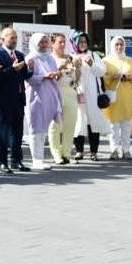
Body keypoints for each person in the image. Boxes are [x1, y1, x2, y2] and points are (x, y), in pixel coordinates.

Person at [0, 27, 32, 173]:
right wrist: (12, 69)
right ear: (3, 39)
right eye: (11, 38)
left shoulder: (19, 55)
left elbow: (25, 75)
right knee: (2, 132)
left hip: (19, 98)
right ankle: (1, 162)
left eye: (15, 38)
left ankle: (16, 160)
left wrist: (29, 68)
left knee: (17, 131)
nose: (14, 40)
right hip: (3, 100)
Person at [70, 31, 111, 161]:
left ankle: (94, 152)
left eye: (85, 42)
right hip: (78, 93)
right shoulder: (71, 56)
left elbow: (102, 71)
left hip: (93, 94)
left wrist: (92, 64)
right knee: (79, 122)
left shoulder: (93, 55)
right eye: (80, 41)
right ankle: (79, 151)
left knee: (93, 122)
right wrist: (74, 67)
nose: (83, 44)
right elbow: (68, 77)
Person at [24, 33, 62, 170]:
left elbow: (54, 72)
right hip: (35, 97)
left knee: (43, 129)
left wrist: (57, 74)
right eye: (41, 42)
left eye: (46, 42)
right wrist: (44, 76)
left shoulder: (50, 58)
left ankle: (41, 158)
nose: (44, 45)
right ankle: (36, 159)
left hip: (49, 96)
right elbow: (29, 78)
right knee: (35, 128)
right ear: (35, 43)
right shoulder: (30, 58)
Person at [102, 36, 132, 159]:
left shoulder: (130, 61)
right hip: (113, 97)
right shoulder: (106, 61)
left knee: (126, 125)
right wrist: (111, 78)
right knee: (113, 125)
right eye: (116, 45)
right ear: (112, 46)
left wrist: (129, 77)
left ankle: (126, 150)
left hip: (127, 97)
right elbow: (101, 79)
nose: (119, 47)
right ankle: (114, 150)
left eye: (121, 45)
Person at [48, 32, 78, 165]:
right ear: (52, 44)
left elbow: (77, 78)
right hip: (56, 94)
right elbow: (51, 78)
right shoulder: (49, 59)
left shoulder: (70, 57)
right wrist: (61, 67)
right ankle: (56, 154)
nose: (62, 44)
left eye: (64, 42)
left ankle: (66, 153)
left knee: (70, 125)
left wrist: (78, 67)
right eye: (59, 42)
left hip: (71, 94)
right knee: (55, 125)